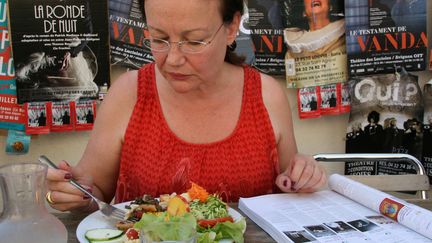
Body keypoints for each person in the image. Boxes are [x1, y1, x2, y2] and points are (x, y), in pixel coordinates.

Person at [45, 0, 326, 212]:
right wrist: (72, 193)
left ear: (231, 28)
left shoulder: (265, 96)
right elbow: (96, 194)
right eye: (159, 39)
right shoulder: (129, 94)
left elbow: (290, 191)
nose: (173, 59)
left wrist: (304, 176)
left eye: (194, 41)